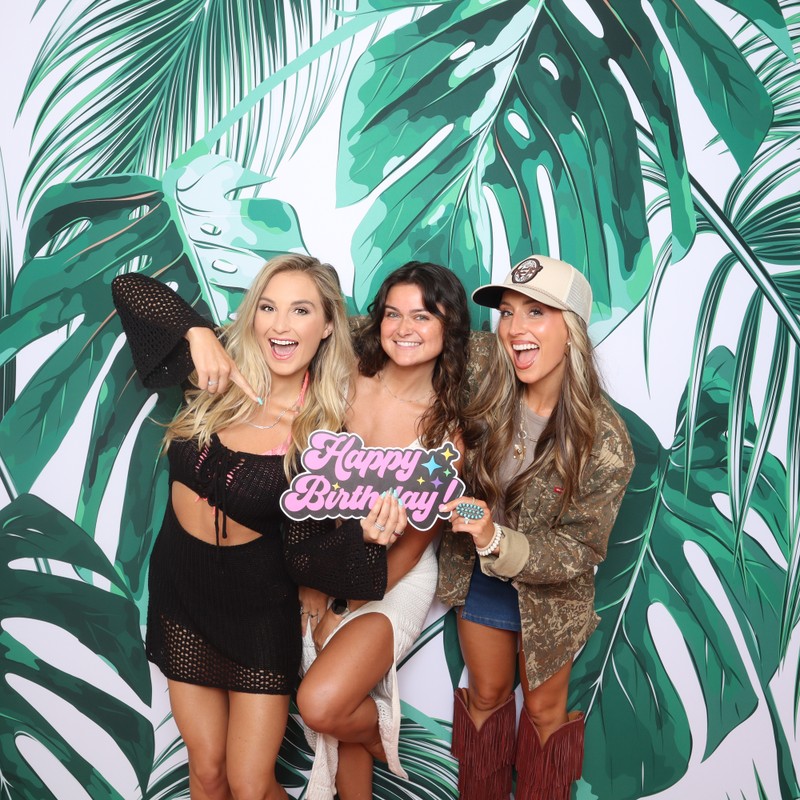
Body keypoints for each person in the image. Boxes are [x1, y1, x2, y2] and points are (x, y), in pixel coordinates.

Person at [111, 254, 401, 800]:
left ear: (328, 325)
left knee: (249, 784)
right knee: (207, 772)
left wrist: (362, 535)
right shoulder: (215, 370)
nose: (280, 325)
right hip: (183, 590)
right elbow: (128, 287)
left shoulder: (327, 431)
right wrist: (195, 332)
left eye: (300, 310)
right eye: (267, 307)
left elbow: (309, 555)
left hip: (257, 608)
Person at [437, 255, 635, 800]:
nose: (514, 329)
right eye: (506, 312)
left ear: (570, 328)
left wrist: (496, 538)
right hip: (481, 573)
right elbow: (400, 332)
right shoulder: (484, 370)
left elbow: (580, 548)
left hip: (551, 596)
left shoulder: (605, 440)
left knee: (546, 713)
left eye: (536, 312)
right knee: (486, 697)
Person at [295, 262, 471, 799]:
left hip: (395, 581)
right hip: (320, 566)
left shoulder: (447, 433)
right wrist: (316, 589)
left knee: (322, 703)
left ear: (449, 328)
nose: (404, 327)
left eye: (422, 315)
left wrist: (340, 606)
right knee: (340, 709)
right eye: (393, 313)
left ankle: (382, 736)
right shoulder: (342, 382)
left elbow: (416, 544)